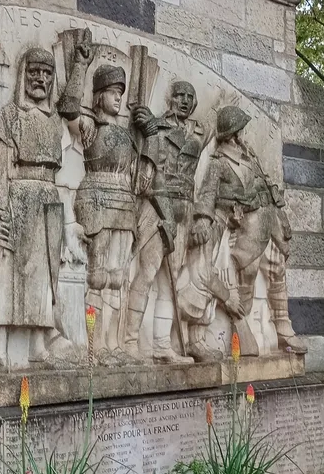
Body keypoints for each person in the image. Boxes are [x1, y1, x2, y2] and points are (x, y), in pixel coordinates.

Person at [0, 39, 93, 373]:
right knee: (8, 271)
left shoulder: (54, 116)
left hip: (49, 198)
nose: (40, 79)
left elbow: (71, 102)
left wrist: (81, 66)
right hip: (18, 194)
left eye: (47, 73)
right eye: (34, 72)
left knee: (46, 275)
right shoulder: (10, 115)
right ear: (23, 76)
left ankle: (38, 344)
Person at [188, 105, 306, 356]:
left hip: (264, 221)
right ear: (232, 134)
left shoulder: (249, 157)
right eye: (240, 130)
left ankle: (284, 326)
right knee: (247, 274)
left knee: (277, 267)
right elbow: (208, 193)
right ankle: (238, 331)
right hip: (238, 225)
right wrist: (202, 219)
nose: (243, 135)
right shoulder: (219, 162)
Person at [72, 64, 157, 364]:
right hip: (97, 197)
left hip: (123, 203)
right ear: (98, 96)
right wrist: (78, 65)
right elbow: (68, 107)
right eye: (112, 92)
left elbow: (143, 176)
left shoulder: (127, 134)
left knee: (117, 278)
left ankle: (112, 344)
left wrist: (150, 132)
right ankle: (93, 346)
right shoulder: (89, 125)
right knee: (97, 278)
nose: (118, 98)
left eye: (120, 93)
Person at [123, 81, 206, 364]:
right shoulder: (156, 127)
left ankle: (161, 345)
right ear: (170, 99)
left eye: (190, 97)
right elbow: (150, 176)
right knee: (147, 274)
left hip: (184, 208)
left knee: (170, 282)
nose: (185, 100)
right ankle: (130, 342)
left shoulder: (197, 132)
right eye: (180, 95)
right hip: (158, 206)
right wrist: (148, 127)